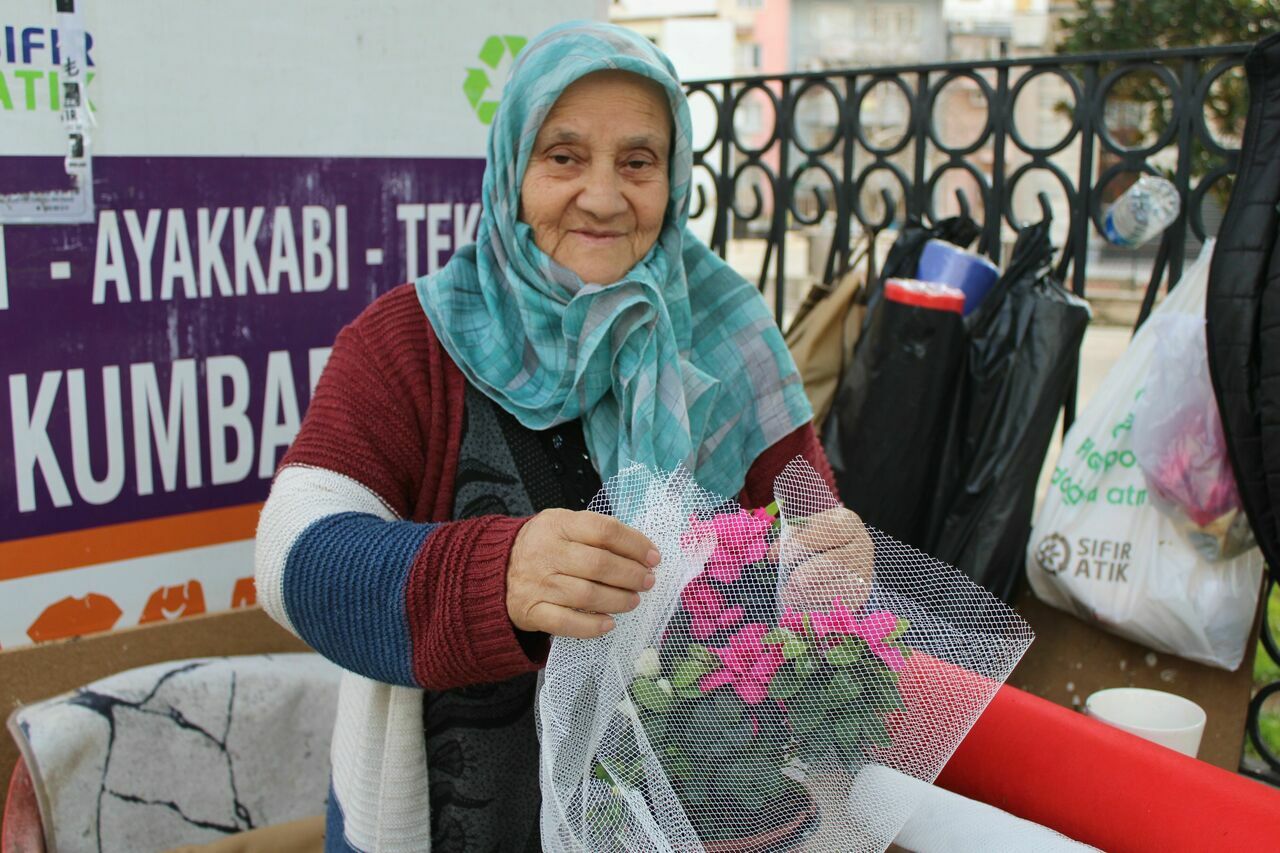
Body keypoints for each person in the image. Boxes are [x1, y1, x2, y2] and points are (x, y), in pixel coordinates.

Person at [255, 21, 856, 852]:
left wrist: (833, 564)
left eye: (638, 161)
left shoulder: (731, 332)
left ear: (674, 179)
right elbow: (292, 558)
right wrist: (494, 575)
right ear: (512, 172)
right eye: (564, 157)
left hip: (682, 826)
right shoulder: (410, 342)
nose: (604, 197)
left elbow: (804, 535)